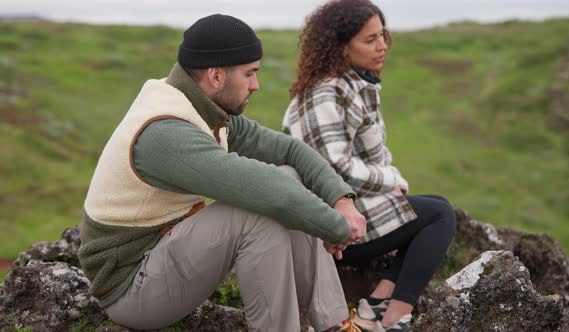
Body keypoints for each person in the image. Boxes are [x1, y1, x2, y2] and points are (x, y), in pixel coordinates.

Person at [78, 14, 367, 332]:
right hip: (132, 290)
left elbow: (290, 152)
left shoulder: (202, 108)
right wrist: (337, 229)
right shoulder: (165, 132)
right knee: (259, 211)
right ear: (216, 76)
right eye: (250, 74)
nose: (256, 85)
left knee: (287, 177)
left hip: (167, 257)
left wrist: (340, 199)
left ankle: (334, 324)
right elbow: (269, 191)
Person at [283, 1, 457, 331]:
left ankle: (376, 305)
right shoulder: (324, 94)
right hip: (327, 227)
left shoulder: (353, 85)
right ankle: (393, 319)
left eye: (383, 36)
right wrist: (391, 180)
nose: (383, 46)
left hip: (352, 206)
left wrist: (390, 183)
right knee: (439, 216)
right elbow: (335, 169)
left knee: (438, 207)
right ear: (341, 46)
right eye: (370, 39)